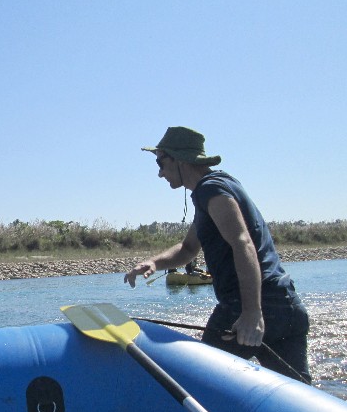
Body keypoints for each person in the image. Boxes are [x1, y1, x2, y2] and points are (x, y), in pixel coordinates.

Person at [123, 126, 311, 383]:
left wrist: (252, 313)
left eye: (161, 163)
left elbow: (242, 243)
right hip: (285, 304)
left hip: (248, 307)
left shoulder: (211, 190)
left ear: (180, 159)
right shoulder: (216, 187)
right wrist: (153, 262)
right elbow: (188, 249)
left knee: (197, 384)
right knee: (300, 395)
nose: (160, 173)